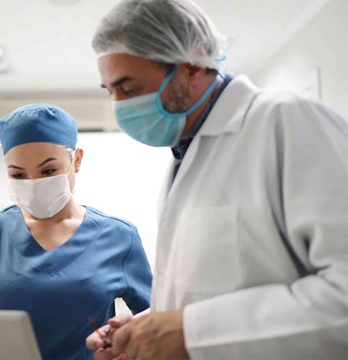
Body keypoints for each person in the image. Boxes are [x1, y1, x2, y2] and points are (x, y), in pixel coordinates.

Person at [85, 0, 348, 359]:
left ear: (192, 67)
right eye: (110, 91)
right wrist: (148, 328)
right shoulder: (185, 155)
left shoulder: (285, 121)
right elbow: (206, 293)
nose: (119, 107)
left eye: (128, 89)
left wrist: (191, 331)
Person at [0, 103, 152, 359]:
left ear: (76, 160)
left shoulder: (119, 237)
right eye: (19, 175)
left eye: (48, 171)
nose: (34, 185)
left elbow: (155, 320)